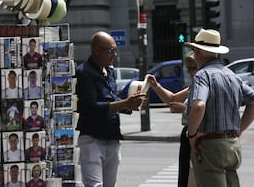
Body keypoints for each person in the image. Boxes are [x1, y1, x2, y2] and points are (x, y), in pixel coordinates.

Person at [185, 29, 254, 186]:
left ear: (198, 51)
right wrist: (239, 129)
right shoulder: (231, 75)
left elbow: (199, 105)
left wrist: (192, 136)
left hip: (210, 147)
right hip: (232, 145)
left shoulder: (203, 75)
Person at [75, 31, 147, 187]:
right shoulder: (84, 72)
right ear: (96, 50)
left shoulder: (110, 72)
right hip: (93, 140)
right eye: (111, 51)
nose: (114, 55)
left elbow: (113, 99)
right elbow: (91, 107)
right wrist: (125, 104)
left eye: (115, 50)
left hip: (112, 138)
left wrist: (131, 105)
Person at [146, 51, 197, 187]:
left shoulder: (204, 84)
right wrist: (156, 86)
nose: (191, 72)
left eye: (194, 68)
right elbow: (173, 99)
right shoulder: (194, 86)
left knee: (192, 179)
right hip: (189, 135)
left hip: (198, 137)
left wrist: (184, 109)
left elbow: (205, 112)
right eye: (189, 69)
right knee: (186, 177)